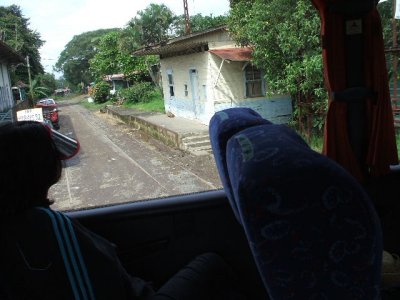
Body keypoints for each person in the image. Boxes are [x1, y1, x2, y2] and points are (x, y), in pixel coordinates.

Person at [0, 121, 245, 300]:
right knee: (212, 263)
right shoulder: (48, 225)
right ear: (42, 166)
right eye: (54, 156)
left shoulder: (20, 221)